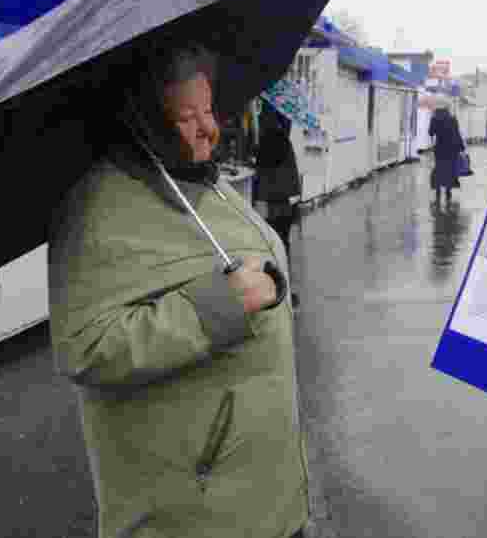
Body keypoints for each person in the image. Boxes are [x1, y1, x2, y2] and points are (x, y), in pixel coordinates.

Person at [47, 42, 308, 538]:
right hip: (198, 513)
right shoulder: (99, 205)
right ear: (145, 121)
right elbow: (86, 347)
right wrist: (225, 303)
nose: (210, 128)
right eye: (188, 117)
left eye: (208, 110)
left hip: (268, 496)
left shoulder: (204, 181)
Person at [254, 99, 303, 305]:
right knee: (281, 247)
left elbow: (263, 176)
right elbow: (290, 176)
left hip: (268, 204)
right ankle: (284, 291)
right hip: (282, 205)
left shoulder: (265, 140)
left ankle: (272, 289)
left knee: (268, 248)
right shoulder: (282, 140)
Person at [427, 103, 465, 204]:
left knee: (439, 168)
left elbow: (430, 132)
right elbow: (457, 133)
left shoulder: (434, 119)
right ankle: (448, 190)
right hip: (452, 149)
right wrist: (461, 147)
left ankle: (438, 190)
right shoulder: (452, 118)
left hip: (439, 149)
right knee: (449, 169)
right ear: (447, 109)